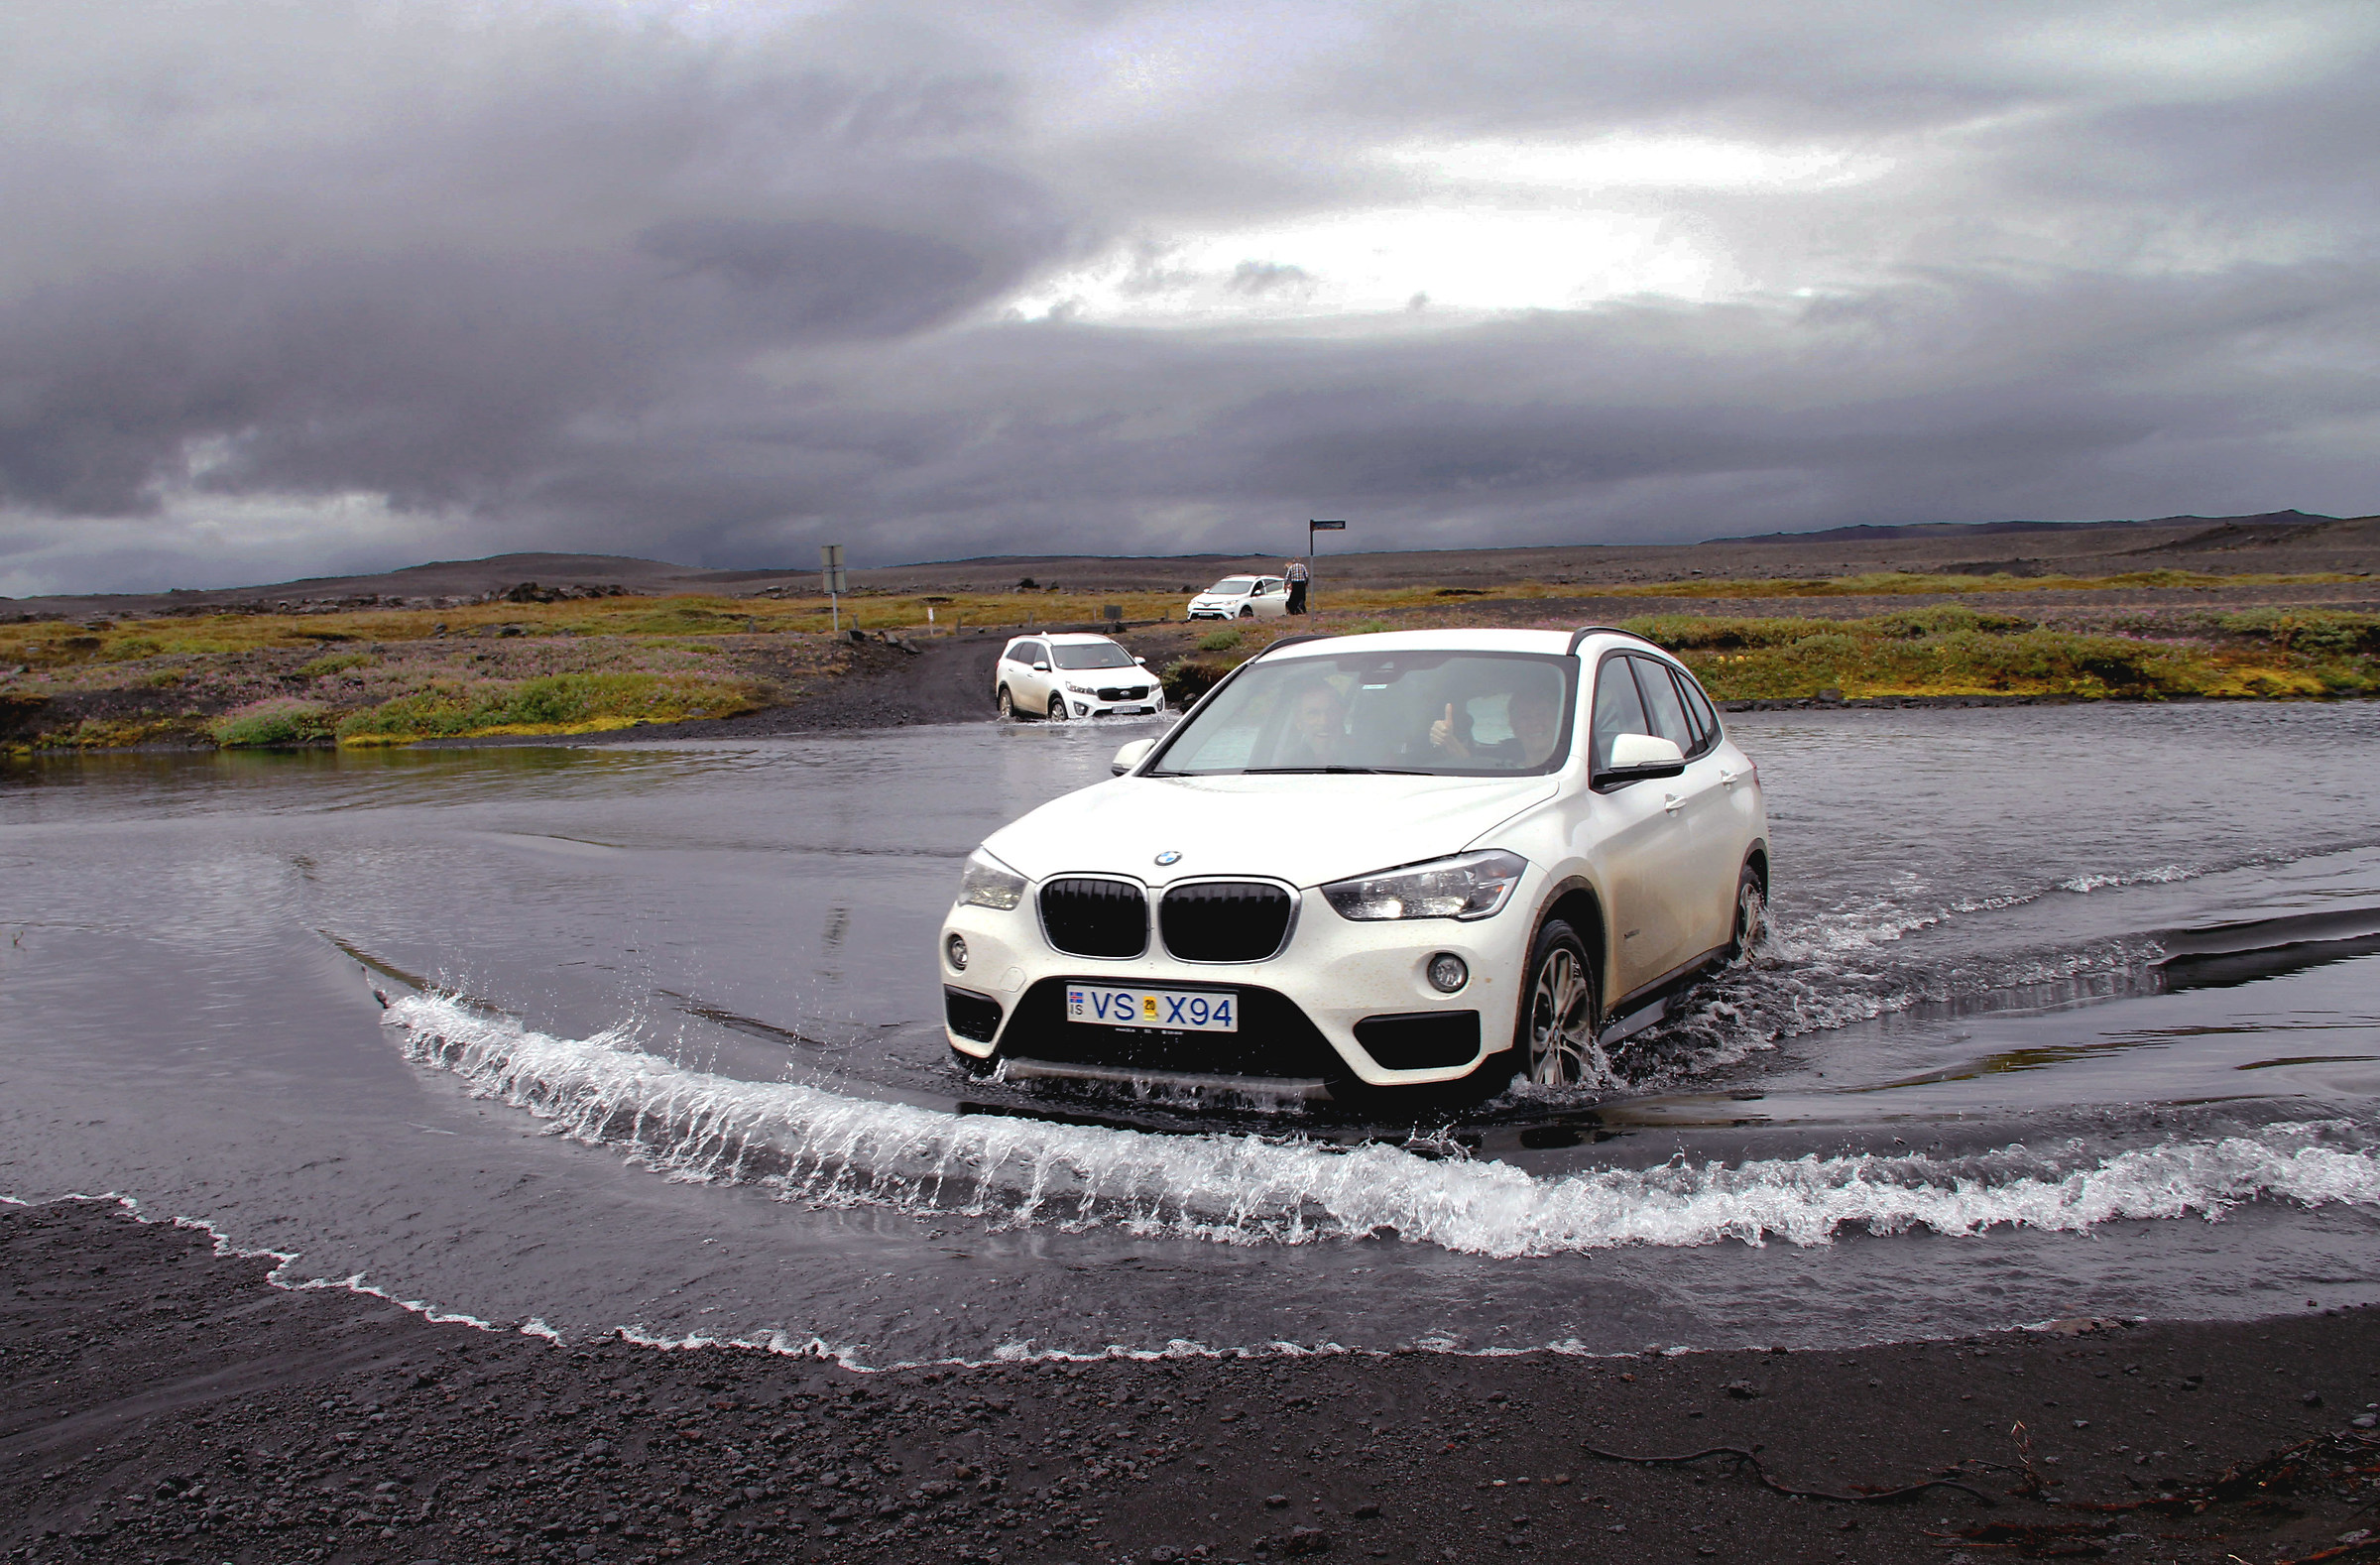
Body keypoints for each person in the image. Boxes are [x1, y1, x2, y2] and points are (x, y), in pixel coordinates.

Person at [1429, 680, 1566, 768]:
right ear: (1513, 725)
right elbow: (1471, 767)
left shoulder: (1575, 770)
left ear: (1558, 719)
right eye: (1525, 717)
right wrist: (1447, 740)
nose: (1535, 722)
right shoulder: (1501, 770)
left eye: (1542, 714)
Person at [1269, 681, 1345, 769]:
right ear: (1299, 722)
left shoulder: (1362, 753)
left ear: (1342, 714)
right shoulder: (1286, 765)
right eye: (1313, 713)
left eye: (1331, 711)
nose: (1324, 721)